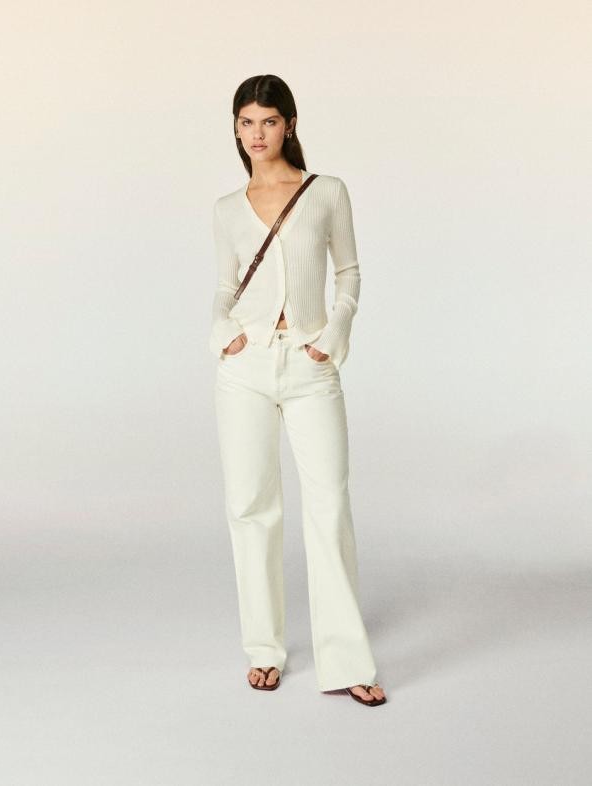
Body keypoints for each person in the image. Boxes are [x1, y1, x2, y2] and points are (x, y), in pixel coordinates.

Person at [209, 74, 386, 707]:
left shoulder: (326, 192)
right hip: (245, 369)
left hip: (310, 366)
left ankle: (347, 659)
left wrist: (331, 337)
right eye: (246, 122)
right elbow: (226, 286)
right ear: (236, 129)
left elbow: (350, 274)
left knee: (329, 506)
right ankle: (264, 649)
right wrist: (223, 332)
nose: (257, 133)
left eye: (269, 121)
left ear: (289, 124)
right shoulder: (227, 208)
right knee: (250, 507)